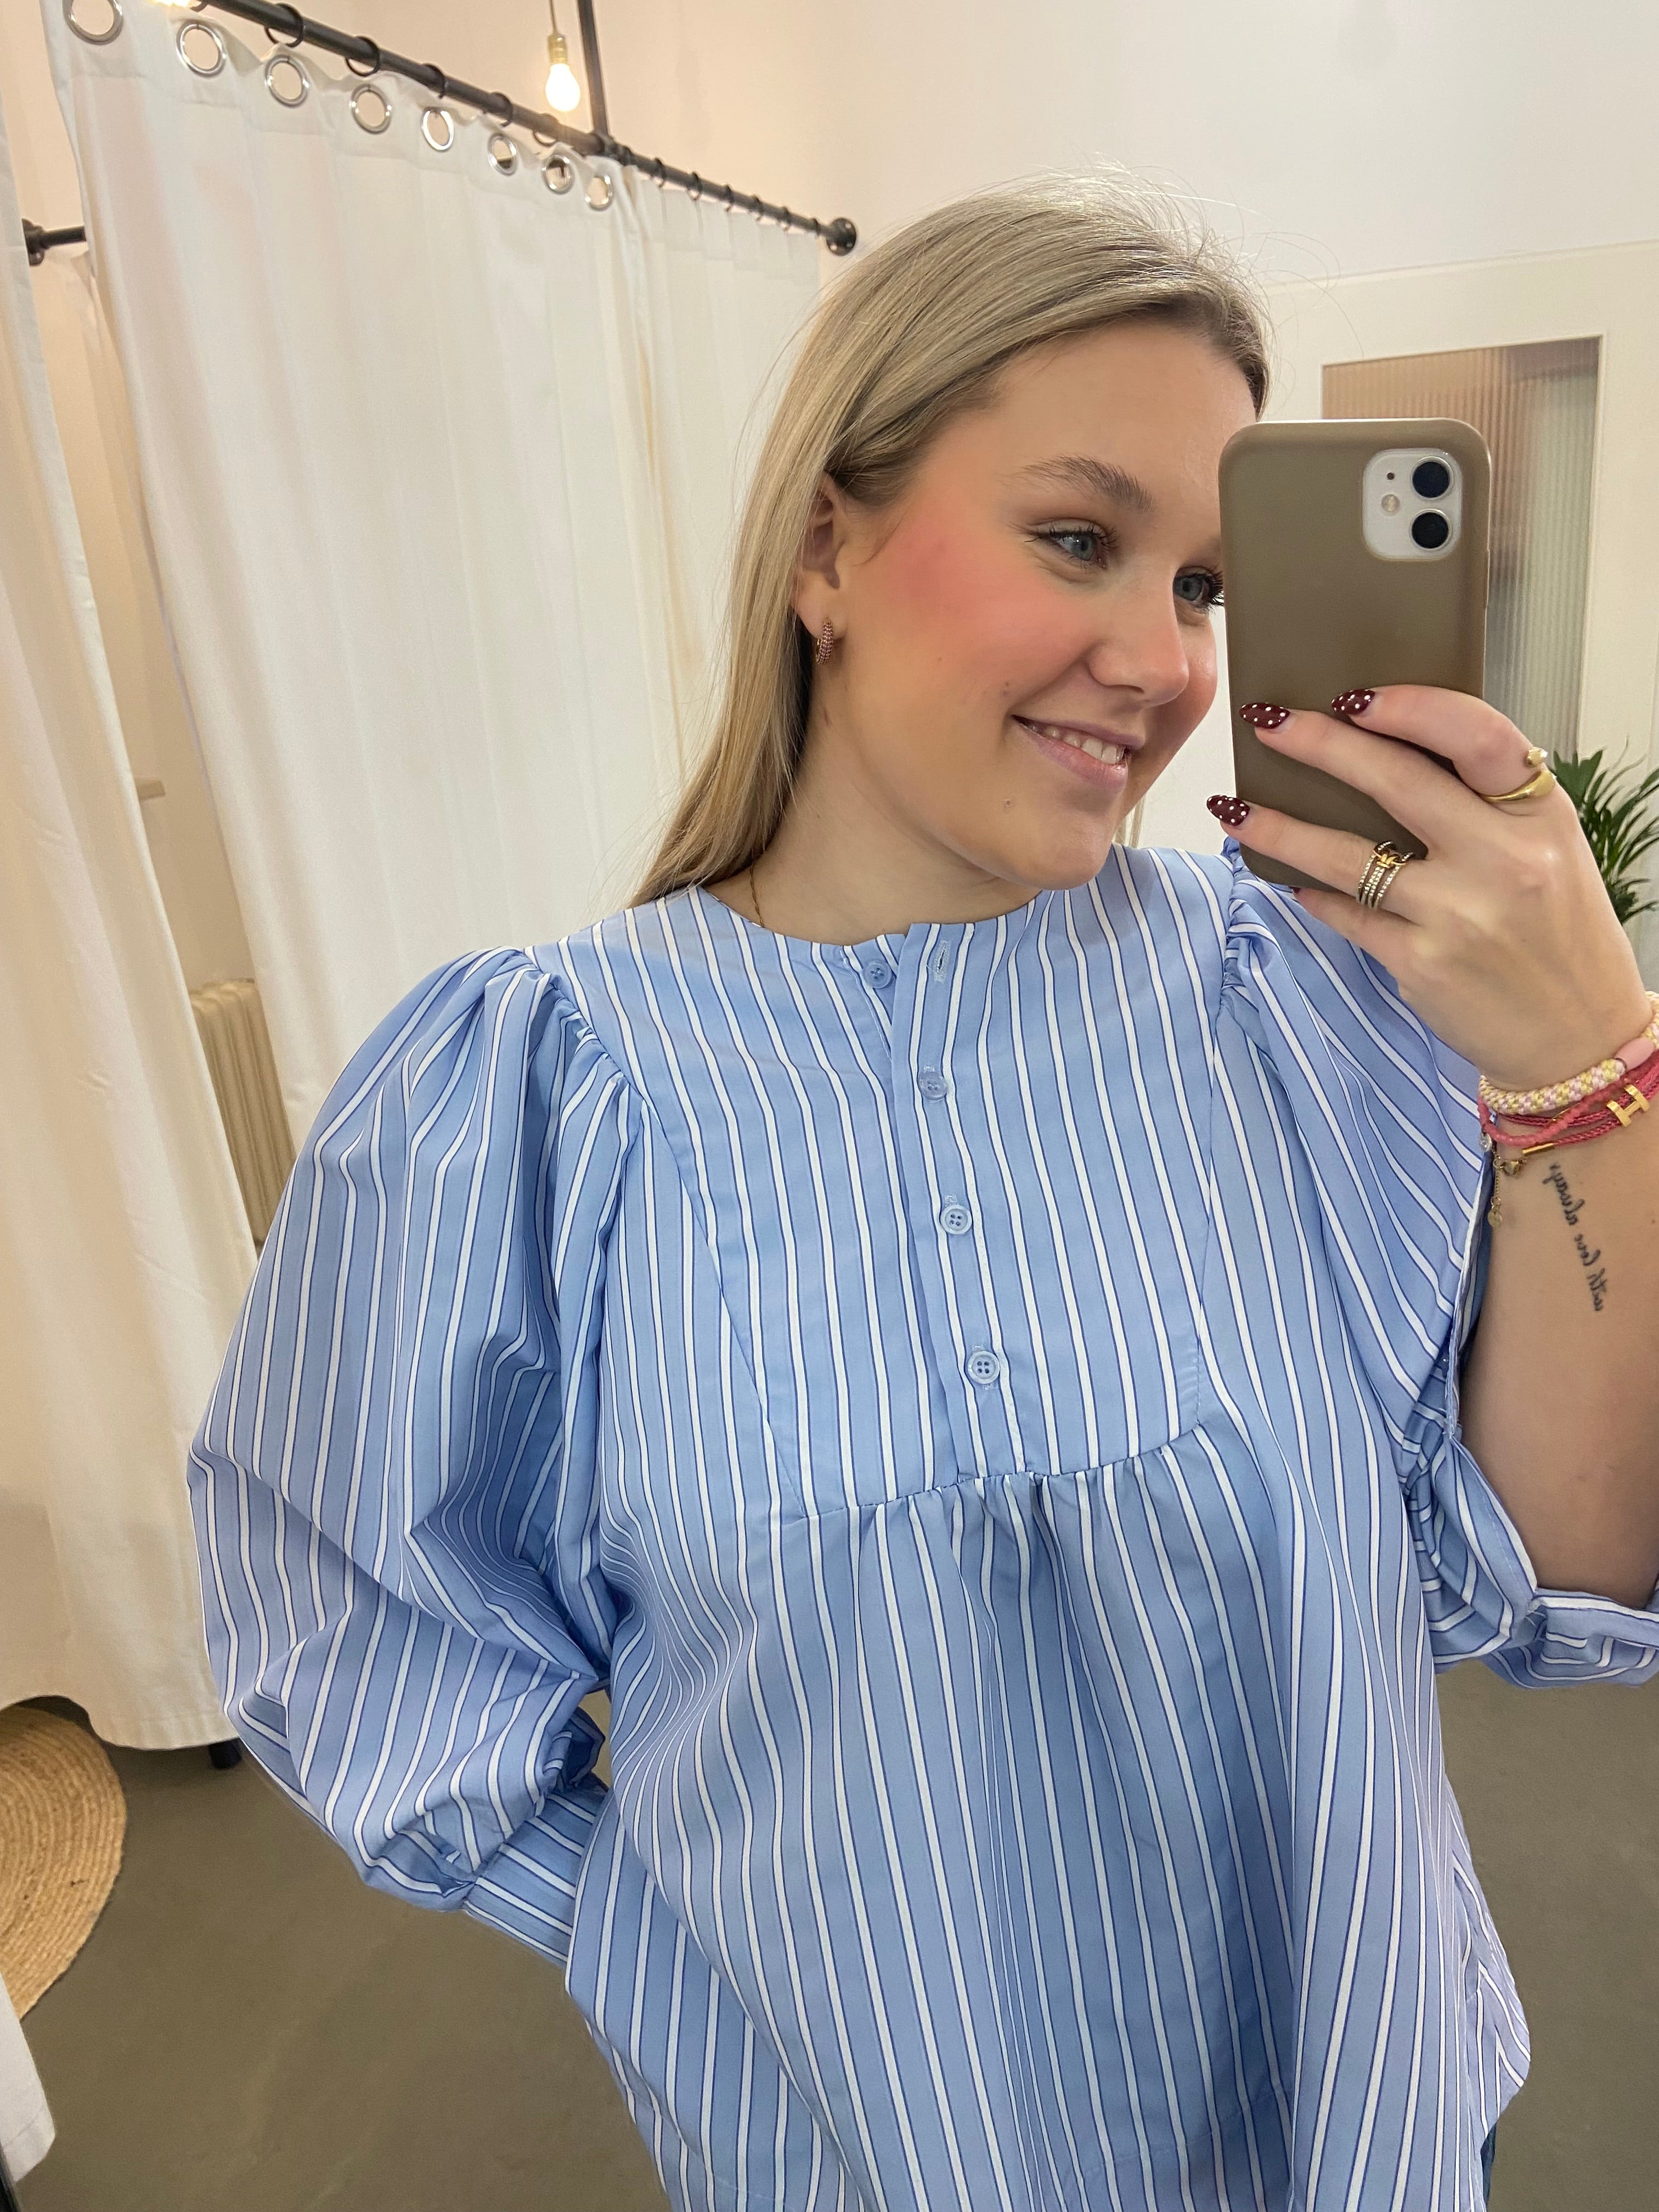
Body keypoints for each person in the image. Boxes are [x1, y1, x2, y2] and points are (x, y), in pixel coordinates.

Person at [187, 179, 1659, 2212]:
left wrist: (1595, 1064)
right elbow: (348, 1627)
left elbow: (1555, 1583)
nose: (1160, 662)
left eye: (1206, 585)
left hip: (1370, 2118)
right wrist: (669, 1953)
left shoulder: (1290, 998)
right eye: (1079, 538)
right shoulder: (537, 1089)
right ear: (827, 547)